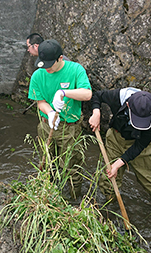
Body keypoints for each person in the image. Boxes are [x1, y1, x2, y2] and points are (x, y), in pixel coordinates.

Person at [28, 39, 92, 198]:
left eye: (50, 64)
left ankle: (74, 199)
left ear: (60, 58)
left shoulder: (75, 70)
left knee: (71, 166)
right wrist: (49, 112)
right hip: (46, 125)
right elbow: (40, 101)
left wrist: (64, 93)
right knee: (46, 162)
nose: (47, 68)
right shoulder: (38, 75)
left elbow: (87, 94)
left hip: (70, 128)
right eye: (44, 64)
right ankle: (46, 197)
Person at [89, 87, 151, 209]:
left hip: (142, 145)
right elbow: (97, 96)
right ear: (127, 105)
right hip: (116, 138)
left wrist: (118, 163)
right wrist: (96, 113)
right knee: (108, 180)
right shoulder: (118, 97)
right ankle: (110, 211)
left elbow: (140, 146)